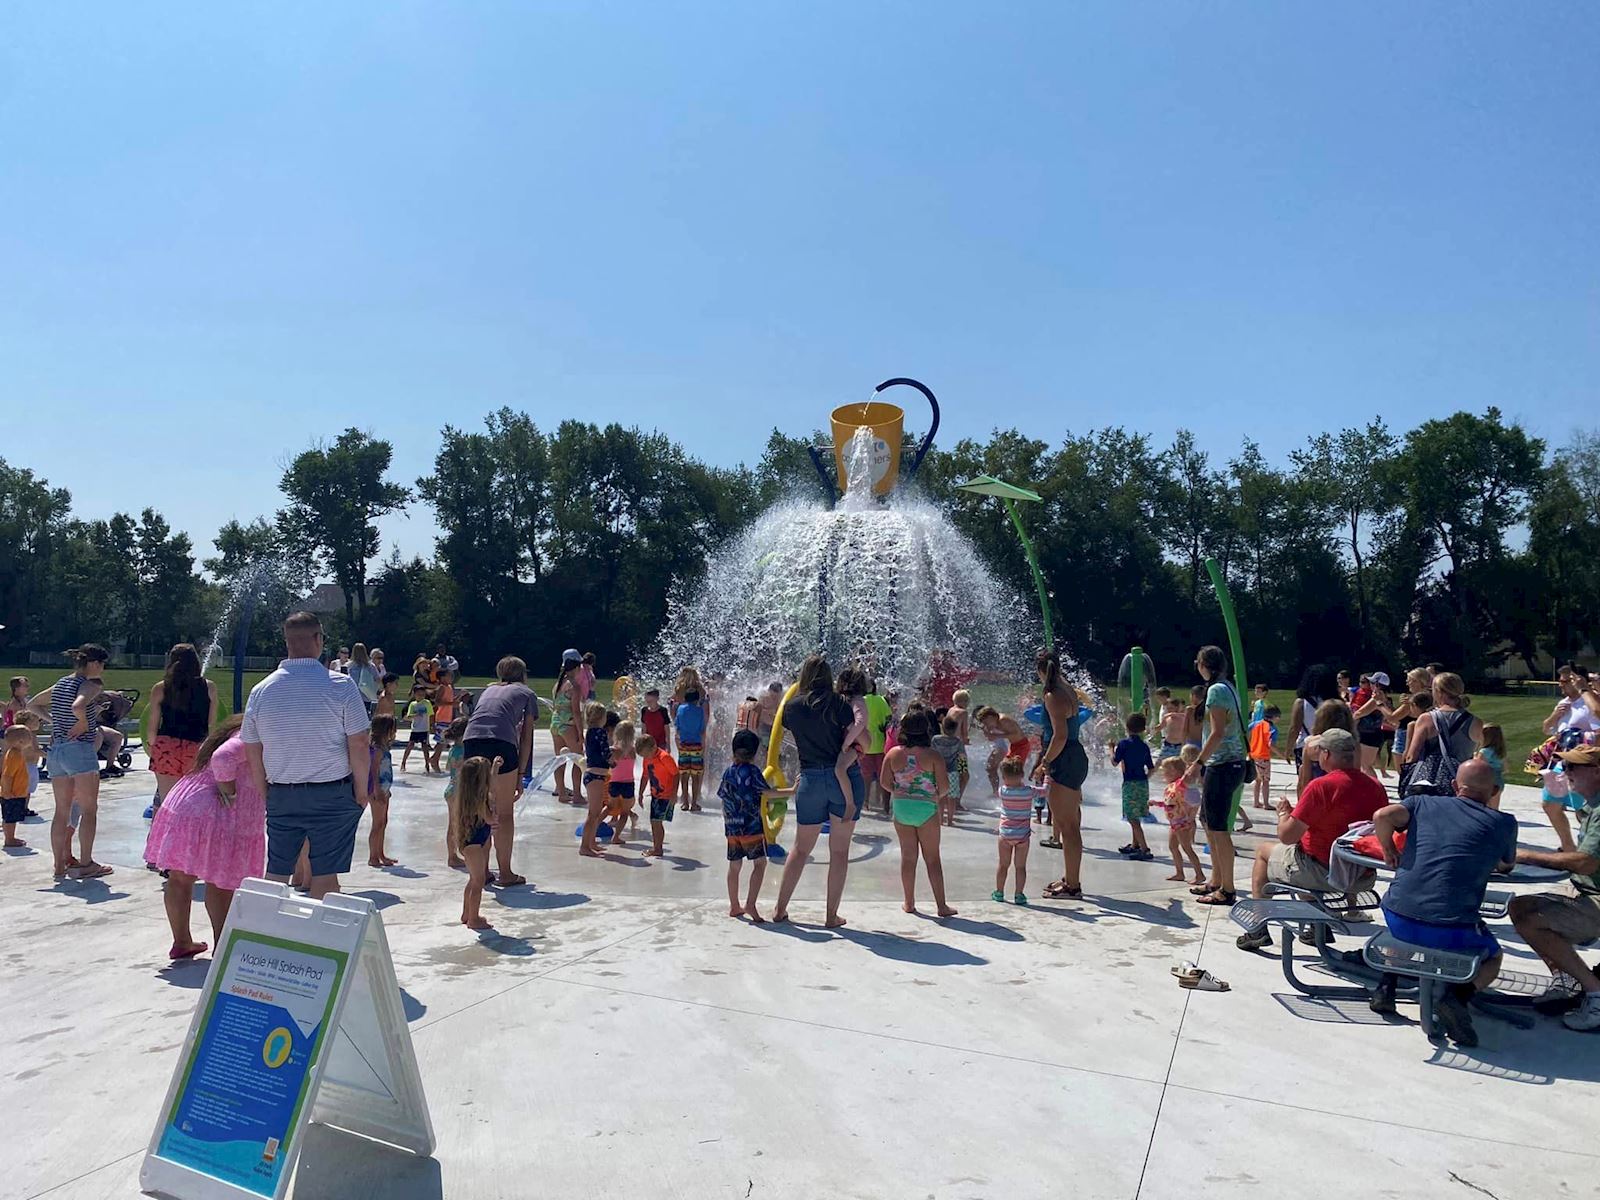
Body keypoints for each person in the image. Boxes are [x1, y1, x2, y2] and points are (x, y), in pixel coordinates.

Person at [1364, 759, 1518, 1039]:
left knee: (1407, 927)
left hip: (1398, 916)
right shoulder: (1503, 823)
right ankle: (1457, 998)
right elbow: (1507, 865)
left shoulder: (1421, 804)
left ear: (1454, 786)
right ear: (1494, 791)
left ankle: (1387, 985)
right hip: (1452, 929)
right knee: (1493, 957)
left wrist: (1389, 851)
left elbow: (1381, 816)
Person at [239, 614, 370, 900]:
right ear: (319, 639)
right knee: (325, 877)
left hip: (282, 792)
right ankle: (317, 940)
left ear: (286, 642)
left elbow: (252, 747)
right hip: (331, 793)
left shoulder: (261, 690)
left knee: (275, 872)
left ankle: (265, 933)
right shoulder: (340, 685)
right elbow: (359, 742)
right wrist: (362, 788)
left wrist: (265, 791)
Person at [1236, 729, 1387, 946]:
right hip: (1359, 875)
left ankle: (1257, 928)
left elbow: (1287, 836)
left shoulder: (1322, 786)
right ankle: (1318, 926)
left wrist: (1283, 814)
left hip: (1323, 872)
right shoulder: (1375, 786)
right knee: (1302, 858)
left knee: (1265, 852)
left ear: (1326, 754)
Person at [143, 715, 264, 957]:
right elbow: (223, 757)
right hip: (217, 812)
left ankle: (182, 942)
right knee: (221, 882)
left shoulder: (238, 727)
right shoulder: (254, 731)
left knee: (179, 876)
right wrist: (229, 792)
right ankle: (222, 947)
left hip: (186, 803)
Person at [1510, 744, 1600, 1031]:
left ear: (1597, 771)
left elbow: (1586, 862)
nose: (1565, 772)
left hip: (1594, 897)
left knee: (1529, 919)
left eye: (1572, 767)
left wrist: (1526, 856)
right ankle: (1569, 979)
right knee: (1519, 906)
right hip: (1585, 889)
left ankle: (1595, 993)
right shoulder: (1590, 805)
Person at [772, 655, 860, 927]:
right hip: (841, 777)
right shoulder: (840, 704)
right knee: (839, 852)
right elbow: (856, 737)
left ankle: (780, 909)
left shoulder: (793, 707)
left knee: (799, 849)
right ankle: (831, 915)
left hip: (809, 779)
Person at [29, 644, 112, 880]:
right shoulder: (92, 684)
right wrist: (83, 722)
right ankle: (86, 863)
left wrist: (55, 721)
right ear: (94, 664)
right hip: (79, 751)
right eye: (103, 664)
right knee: (89, 809)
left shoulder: (62, 683)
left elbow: (32, 704)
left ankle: (58, 865)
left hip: (58, 752)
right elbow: (78, 705)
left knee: (61, 811)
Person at [461, 656, 540, 887]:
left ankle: (482, 871)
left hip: (471, 741)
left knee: (481, 809)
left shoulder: (489, 690)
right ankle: (505, 873)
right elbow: (526, 738)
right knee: (504, 813)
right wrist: (520, 774)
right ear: (523, 674)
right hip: (500, 744)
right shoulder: (526, 693)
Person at [1186, 645, 1249, 906]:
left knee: (1219, 828)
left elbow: (1217, 732)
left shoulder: (1216, 690)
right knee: (1208, 821)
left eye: (1198, 663)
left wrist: (1198, 762)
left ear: (1205, 665)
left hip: (1223, 764)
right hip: (1229, 764)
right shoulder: (1227, 687)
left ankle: (1227, 888)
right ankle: (1216, 879)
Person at [881, 707, 956, 917]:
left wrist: (900, 791)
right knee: (932, 859)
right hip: (926, 808)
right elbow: (945, 787)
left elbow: (884, 783)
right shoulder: (933, 755)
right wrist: (933, 796)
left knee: (908, 857)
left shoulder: (893, 753)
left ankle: (909, 902)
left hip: (902, 808)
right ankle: (941, 906)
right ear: (926, 730)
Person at [719, 729, 794, 921]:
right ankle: (750, 904)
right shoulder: (752, 772)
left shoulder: (728, 772)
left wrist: (728, 821)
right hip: (751, 827)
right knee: (760, 864)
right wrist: (792, 790)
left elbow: (723, 797)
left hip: (732, 826)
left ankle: (734, 905)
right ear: (755, 753)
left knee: (734, 865)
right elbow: (767, 793)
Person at [1033, 649, 1089, 900]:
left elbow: (1060, 734)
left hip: (1063, 758)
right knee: (1071, 824)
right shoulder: (1066, 687)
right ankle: (1070, 876)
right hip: (1074, 756)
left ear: (1040, 671)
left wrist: (1044, 762)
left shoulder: (1052, 695)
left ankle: (1073, 885)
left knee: (1067, 826)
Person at [1536, 669, 1600, 853]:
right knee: (1549, 804)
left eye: (1565, 681)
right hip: (1561, 761)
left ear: (1577, 681)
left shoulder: (1590, 701)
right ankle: (1568, 845)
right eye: (1560, 681)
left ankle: (1588, 848)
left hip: (1582, 762)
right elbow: (1547, 729)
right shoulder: (1563, 703)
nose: (1560, 685)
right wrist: (1555, 715)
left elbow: (1598, 733)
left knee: (1584, 809)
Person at [148, 644, 219, 810]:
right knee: (192, 801)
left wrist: (153, 746)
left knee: (168, 803)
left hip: (167, 746)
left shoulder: (160, 688)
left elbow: (152, 726)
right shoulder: (209, 687)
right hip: (196, 745)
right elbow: (211, 722)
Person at [1401, 672, 1482, 795]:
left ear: (1438, 692)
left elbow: (1412, 756)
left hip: (1427, 784)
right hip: (1460, 784)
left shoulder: (1426, 719)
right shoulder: (1475, 722)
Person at [454, 754, 497, 931]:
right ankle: (473, 918)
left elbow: (490, 785)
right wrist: (494, 814)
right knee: (479, 881)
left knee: (473, 880)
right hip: (474, 846)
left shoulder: (469, 796)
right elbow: (489, 819)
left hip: (470, 844)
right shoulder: (479, 800)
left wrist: (495, 768)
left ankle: (466, 913)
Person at [1112, 713, 1155, 861]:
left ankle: (1145, 848)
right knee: (1136, 814)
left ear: (1127, 727)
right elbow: (1151, 768)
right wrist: (1144, 779)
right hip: (1142, 784)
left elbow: (1114, 762)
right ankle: (1135, 844)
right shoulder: (1144, 746)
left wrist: (1111, 749)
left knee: (1132, 818)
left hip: (1130, 783)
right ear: (1143, 729)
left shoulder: (1123, 744)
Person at [1157, 756, 1206, 884]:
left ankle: (1199, 874)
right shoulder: (1171, 787)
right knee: (1172, 847)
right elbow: (1170, 803)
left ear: (1176, 772)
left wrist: (1191, 767)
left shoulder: (1180, 784)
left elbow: (1194, 800)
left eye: (1167, 771)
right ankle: (1179, 873)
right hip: (1174, 823)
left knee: (1187, 848)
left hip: (1182, 823)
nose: (1164, 773)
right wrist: (1156, 803)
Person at [993, 755, 1033, 904]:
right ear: (1022, 775)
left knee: (1003, 865)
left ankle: (999, 892)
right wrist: (1046, 776)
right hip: (1022, 836)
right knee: (1020, 867)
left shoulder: (1002, 791)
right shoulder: (1029, 791)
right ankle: (1019, 894)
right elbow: (1045, 791)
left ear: (1003, 777)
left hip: (1005, 835)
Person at [578, 702, 614, 856]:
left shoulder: (590, 732)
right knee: (593, 813)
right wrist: (614, 760)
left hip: (593, 775)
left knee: (595, 812)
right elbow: (606, 753)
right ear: (601, 717)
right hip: (596, 776)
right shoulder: (600, 732)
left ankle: (591, 843)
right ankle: (584, 847)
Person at [550, 651, 584, 804]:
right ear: (577, 667)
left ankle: (562, 792)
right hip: (568, 725)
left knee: (560, 760)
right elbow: (576, 712)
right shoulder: (574, 686)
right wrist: (581, 732)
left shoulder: (558, 684)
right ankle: (577, 794)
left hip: (555, 724)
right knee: (578, 759)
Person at [637, 734, 678, 857]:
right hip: (656, 795)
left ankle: (658, 849)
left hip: (666, 795)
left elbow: (676, 774)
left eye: (646, 754)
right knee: (655, 822)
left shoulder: (664, 757)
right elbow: (645, 776)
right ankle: (657, 847)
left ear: (654, 747)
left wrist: (674, 794)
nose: (645, 758)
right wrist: (640, 793)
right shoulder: (647, 759)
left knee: (656, 822)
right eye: (643, 756)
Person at [366, 715, 399, 867]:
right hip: (377, 789)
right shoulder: (377, 749)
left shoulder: (385, 747)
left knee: (383, 822)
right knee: (377, 823)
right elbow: (373, 770)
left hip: (385, 788)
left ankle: (381, 853)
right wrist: (376, 790)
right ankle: (373, 856)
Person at [2, 724, 39, 847]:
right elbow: (8, 776)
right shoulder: (14, 755)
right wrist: (7, 792)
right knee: (10, 818)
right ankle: (9, 839)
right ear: (21, 741)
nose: (31, 738)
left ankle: (10, 837)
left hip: (16, 792)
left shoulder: (16, 753)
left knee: (12, 817)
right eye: (29, 736)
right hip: (12, 793)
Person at [674, 679, 709, 812]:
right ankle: (694, 803)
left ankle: (684, 802)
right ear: (696, 700)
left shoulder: (680, 709)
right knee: (695, 775)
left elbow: (677, 726)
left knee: (684, 774)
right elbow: (702, 728)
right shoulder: (700, 711)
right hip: (696, 745)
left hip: (684, 745)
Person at [1352, 671, 1391, 778]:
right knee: (1365, 765)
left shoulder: (1376, 698)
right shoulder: (1385, 697)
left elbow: (1359, 713)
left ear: (1378, 685)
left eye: (1373, 683)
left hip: (1367, 734)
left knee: (1366, 766)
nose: (1370, 685)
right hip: (1375, 733)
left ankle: (1376, 789)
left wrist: (1349, 720)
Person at [441, 716, 468, 869]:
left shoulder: (453, 749)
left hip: (451, 788)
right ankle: (453, 856)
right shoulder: (464, 750)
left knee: (453, 824)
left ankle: (454, 854)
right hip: (458, 791)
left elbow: (447, 768)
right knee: (456, 824)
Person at [862, 682, 892, 813]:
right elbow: (889, 719)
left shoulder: (861, 701)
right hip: (881, 745)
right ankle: (885, 806)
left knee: (865, 777)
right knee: (883, 776)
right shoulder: (881, 700)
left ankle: (865, 803)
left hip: (865, 745)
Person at [607, 721, 638, 847]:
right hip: (628, 783)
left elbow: (609, 763)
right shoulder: (633, 750)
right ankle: (616, 836)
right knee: (624, 811)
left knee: (609, 806)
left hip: (614, 782)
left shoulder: (614, 750)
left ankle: (595, 825)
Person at [932, 714, 964, 827]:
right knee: (952, 798)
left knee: (941, 796)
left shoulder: (935, 739)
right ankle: (950, 820)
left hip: (939, 771)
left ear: (942, 727)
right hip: (953, 772)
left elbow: (932, 754)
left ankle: (940, 820)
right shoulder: (958, 741)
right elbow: (962, 756)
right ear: (955, 729)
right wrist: (962, 771)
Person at [398, 686, 436, 773]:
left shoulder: (427, 703)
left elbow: (431, 714)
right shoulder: (412, 704)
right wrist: (415, 715)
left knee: (425, 747)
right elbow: (408, 716)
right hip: (415, 729)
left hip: (424, 729)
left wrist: (432, 725)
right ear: (415, 695)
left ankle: (427, 764)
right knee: (410, 745)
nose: (421, 696)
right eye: (419, 694)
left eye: (423, 694)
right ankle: (403, 762)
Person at [1248, 706, 1279, 810]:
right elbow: (1271, 744)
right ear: (1274, 717)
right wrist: (1282, 755)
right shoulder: (1272, 728)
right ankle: (1266, 803)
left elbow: (1247, 730)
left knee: (1257, 780)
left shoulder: (1255, 724)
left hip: (1253, 754)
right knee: (1265, 781)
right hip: (1263, 756)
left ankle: (1256, 802)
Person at [1477, 723, 1507, 808]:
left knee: (1484, 807)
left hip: (1487, 781)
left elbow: (1478, 767)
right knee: (1494, 808)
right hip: (1499, 780)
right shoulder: (1501, 752)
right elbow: (1505, 769)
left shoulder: (1483, 752)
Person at [346, 644, 379, 715]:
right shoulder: (370, 666)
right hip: (366, 695)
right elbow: (377, 679)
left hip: (352, 696)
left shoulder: (349, 666)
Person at [1156, 690, 1187, 760]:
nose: (1169, 710)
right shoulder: (1167, 718)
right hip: (1167, 744)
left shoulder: (1183, 717)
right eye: (1168, 708)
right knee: (1159, 762)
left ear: (1177, 708)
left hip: (1179, 745)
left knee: (1178, 764)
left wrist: (1173, 714)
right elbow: (1160, 727)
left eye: (1171, 708)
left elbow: (1184, 716)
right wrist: (1152, 729)